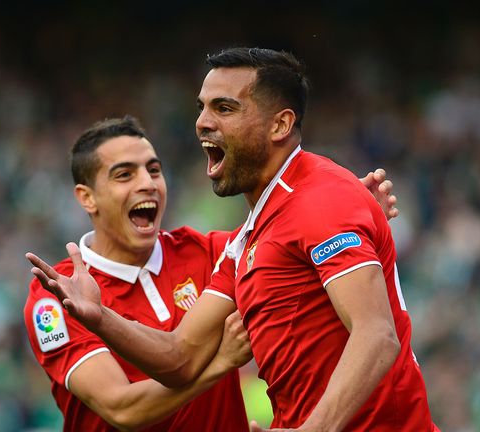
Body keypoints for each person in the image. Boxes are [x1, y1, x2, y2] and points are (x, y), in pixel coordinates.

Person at [23, 115, 399, 431]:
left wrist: (348, 212)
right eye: (124, 175)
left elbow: (292, 236)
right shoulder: (57, 296)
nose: (147, 183)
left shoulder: (211, 252)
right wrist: (220, 363)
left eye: (154, 170)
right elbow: (123, 409)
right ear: (86, 197)